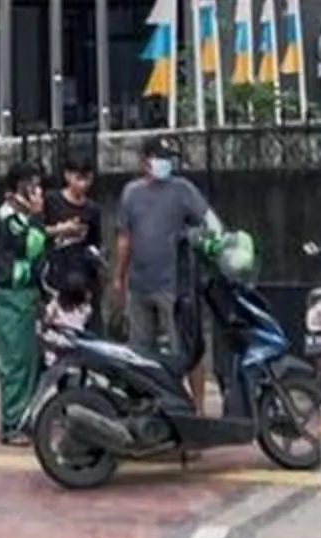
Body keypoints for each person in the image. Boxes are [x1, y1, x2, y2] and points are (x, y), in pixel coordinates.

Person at [108, 135, 218, 409]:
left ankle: (198, 409)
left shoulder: (183, 190)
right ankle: (148, 407)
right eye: (160, 158)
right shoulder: (131, 193)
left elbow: (211, 222)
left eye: (168, 159)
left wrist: (203, 239)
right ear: (145, 161)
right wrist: (118, 278)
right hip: (140, 284)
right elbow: (124, 238)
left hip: (175, 287)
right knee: (140, 352)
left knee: (188, 348)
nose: (165, 164)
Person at [0, 163, 51, 443]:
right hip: (12, 295)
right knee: (16, 360)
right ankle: (12, 423)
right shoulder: (9, 218)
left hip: (27, 292)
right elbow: (31, 246)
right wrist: (37, 216)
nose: (37, 192)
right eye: (30, 186)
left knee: (31, 360)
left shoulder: (21, 216)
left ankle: (26, 417)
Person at [40, 156, 102, 319]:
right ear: (67, 176)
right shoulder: (51, 200)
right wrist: (60, 230)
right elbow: (36, 231)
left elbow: (95, 242)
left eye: (88, 179)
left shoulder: (92, 209)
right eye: (79, 178)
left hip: (81, 276)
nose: (84, 184)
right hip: (55, 274)